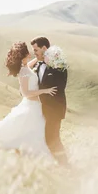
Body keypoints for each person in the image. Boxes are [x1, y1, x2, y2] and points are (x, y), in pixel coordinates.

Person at [29, 36, 69, 167]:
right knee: (43, 138)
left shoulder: (59, 66)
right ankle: (54, 165)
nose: (34, 53)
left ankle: (65, 165)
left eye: (36, 50)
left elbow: (59, 87)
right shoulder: (37, 65)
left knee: (52, 138)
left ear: (44, 48)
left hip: (54, 109)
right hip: (39, 110)